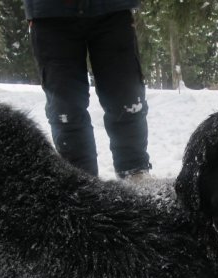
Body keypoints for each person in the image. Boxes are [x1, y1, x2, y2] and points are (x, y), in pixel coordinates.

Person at [24, 0, 151, 180]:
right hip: (50, 13)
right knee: (65, 109)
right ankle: (80, 185)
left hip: (112, 9)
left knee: (127, 100)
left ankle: (135, 174)